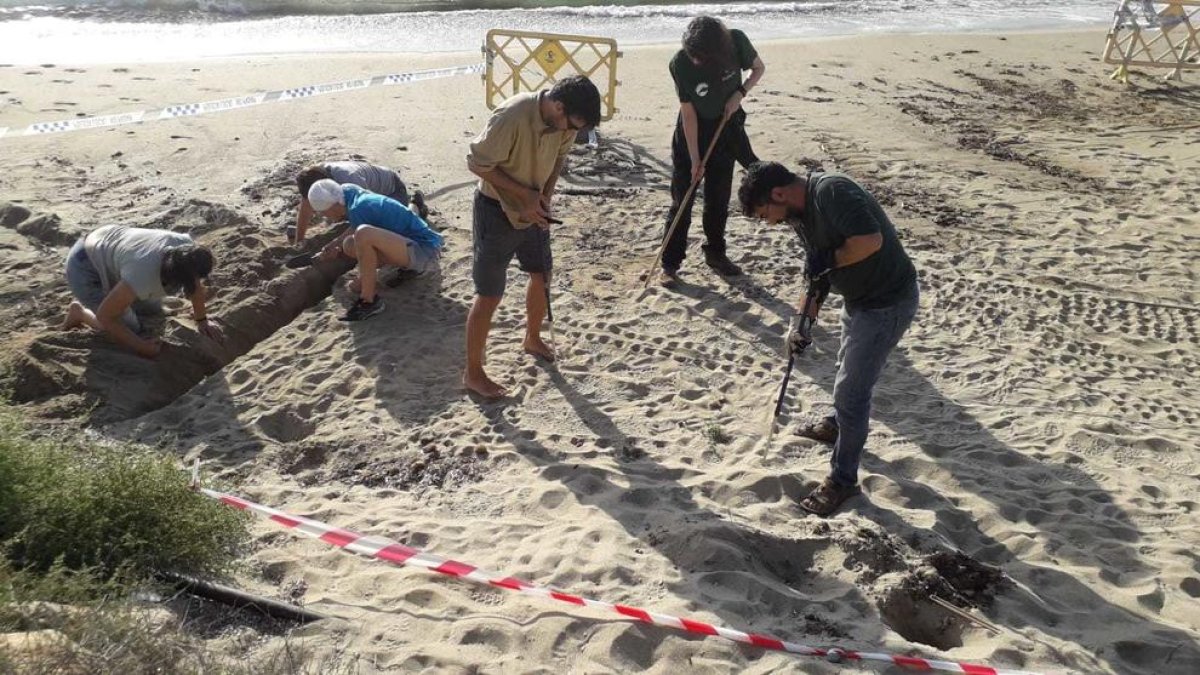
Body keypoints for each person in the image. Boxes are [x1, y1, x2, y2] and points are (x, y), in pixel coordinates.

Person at [738, 162, 919, 516]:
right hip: (858, 301)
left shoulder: (833, 192)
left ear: (778, 194)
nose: (770, 223)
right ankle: (838, 426)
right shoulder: (799, 216)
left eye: (765, 215)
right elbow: (817, 274)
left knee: (852, 391)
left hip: (887, 302)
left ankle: (843, 480)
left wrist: (829, 260)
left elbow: (869, 241)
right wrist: (802, 322)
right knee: (843, 368)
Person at [463, 75, 602, 399]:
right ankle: (473, 373)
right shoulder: (512, 115)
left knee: (542, 273)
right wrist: (523, 196)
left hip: (535, 206)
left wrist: (544, 198)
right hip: (495, 210)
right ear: (557, 105)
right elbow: (476, 162)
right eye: (572, 124)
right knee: (489, 294)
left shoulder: (566, 125)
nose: (572, 132)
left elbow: (558, 159)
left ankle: (533, 337)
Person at [658, 16, 766, 287]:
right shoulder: (680, 63)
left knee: (718, 199)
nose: (695, 60)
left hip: (727, 126)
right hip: (692, 133)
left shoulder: (736, 41)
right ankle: (670, 264)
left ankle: (716, 254)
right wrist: (695, 158)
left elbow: (758, 69)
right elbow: (688, 113)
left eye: (700, 57)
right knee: (682, 198)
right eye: (691, 54)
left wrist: (739, 93)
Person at [61, 225, 221, 358]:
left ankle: (123, 299)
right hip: (84, 267)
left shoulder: (187, 248)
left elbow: (195, 284)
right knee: (130, 329)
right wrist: (141, 347)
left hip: (109, 243)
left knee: (152, 309)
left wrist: (202, 320)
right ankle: (80, 313)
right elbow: (106, 316)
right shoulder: (142, 275)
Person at [306, 179, 444, 322]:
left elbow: (361, 231)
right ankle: (398, 271)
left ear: (332, 205)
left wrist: (361, 283)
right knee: (349, 244)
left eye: (323, 212)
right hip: (408, 244)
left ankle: (369, 301)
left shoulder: (358, 207)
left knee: (363, 234)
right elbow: (357, 225)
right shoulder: (347, 192)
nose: (324, 216)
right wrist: (334, 244)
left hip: (426, 252)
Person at [293, 160, 427, 243]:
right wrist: (299, 240)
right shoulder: (314, 181)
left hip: (392, 190)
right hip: (364, 195)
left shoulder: (349, 178)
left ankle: (415, 205)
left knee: (396, 227)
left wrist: (336, 243)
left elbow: (372, 212)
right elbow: (305, 207)